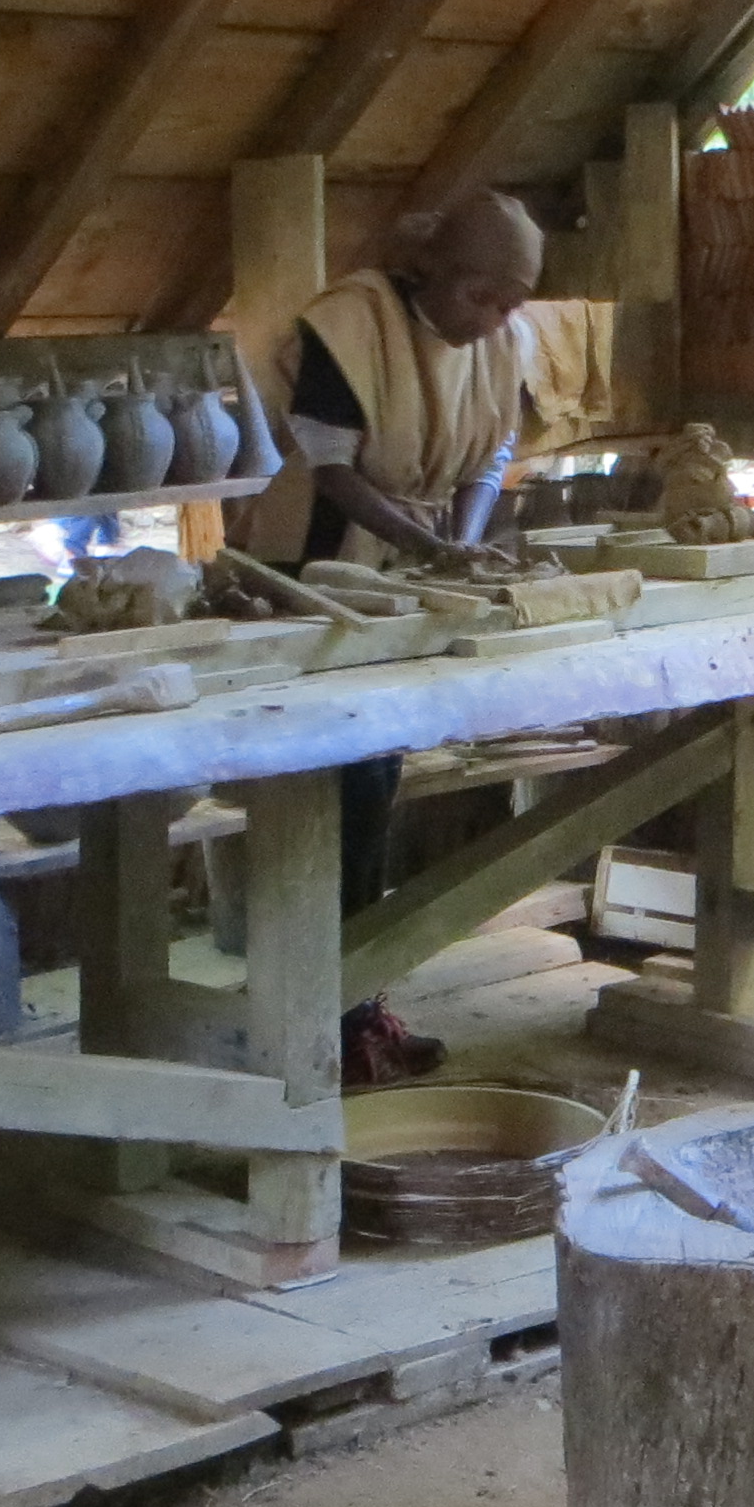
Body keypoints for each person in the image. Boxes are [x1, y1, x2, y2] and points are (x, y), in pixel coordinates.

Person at [242, 193, 546, 1087]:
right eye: (481, 295)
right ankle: (315, 1017)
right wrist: (429, 546)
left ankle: (353, 1007)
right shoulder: (351, 324)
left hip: (409, 572)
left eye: (511, 302)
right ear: (434, 269)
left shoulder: (502, 343)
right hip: (316, 574)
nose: (493, 318)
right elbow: (330, 468)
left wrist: (463, 543)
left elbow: (491, 457)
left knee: (374, 782)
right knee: (330, 793)